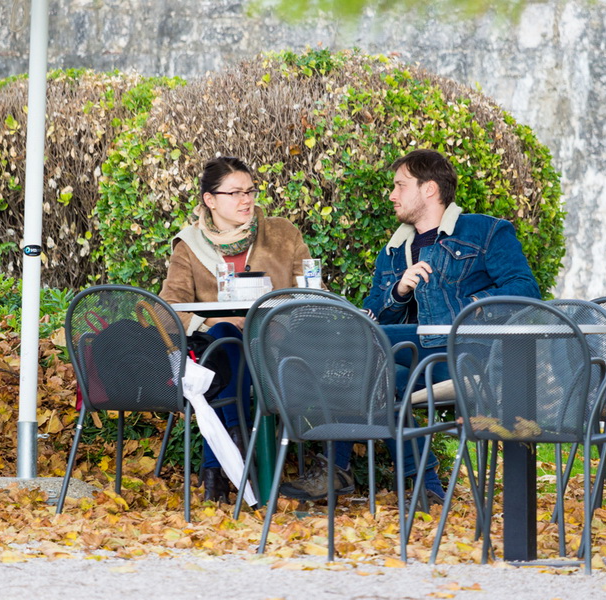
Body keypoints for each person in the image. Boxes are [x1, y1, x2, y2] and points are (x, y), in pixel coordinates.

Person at [280, 148, 541, 505]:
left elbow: (525, 291)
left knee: (359, 348)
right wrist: (399, 291)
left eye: (400, 186)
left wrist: (461, 313)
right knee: (373, 370)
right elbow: (372, 313)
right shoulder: (393, 252)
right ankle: (423, 487)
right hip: (412, 359)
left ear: (429, 189)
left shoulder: (485, 232)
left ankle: (341, 471)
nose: (392, 194)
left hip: (468, 357)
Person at [160, 156, 313, 503]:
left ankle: (218, 467)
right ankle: (238, 441)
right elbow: (169, 307)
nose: (246, 200)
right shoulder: (189, 245)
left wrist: (272, 318)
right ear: (210, 200)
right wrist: (209, 322)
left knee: (226, 349)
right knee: (226, 336)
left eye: (250, 191)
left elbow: (308, 291)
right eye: (235, 193)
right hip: (219, 346)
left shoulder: (281, 233)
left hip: (277, 343)